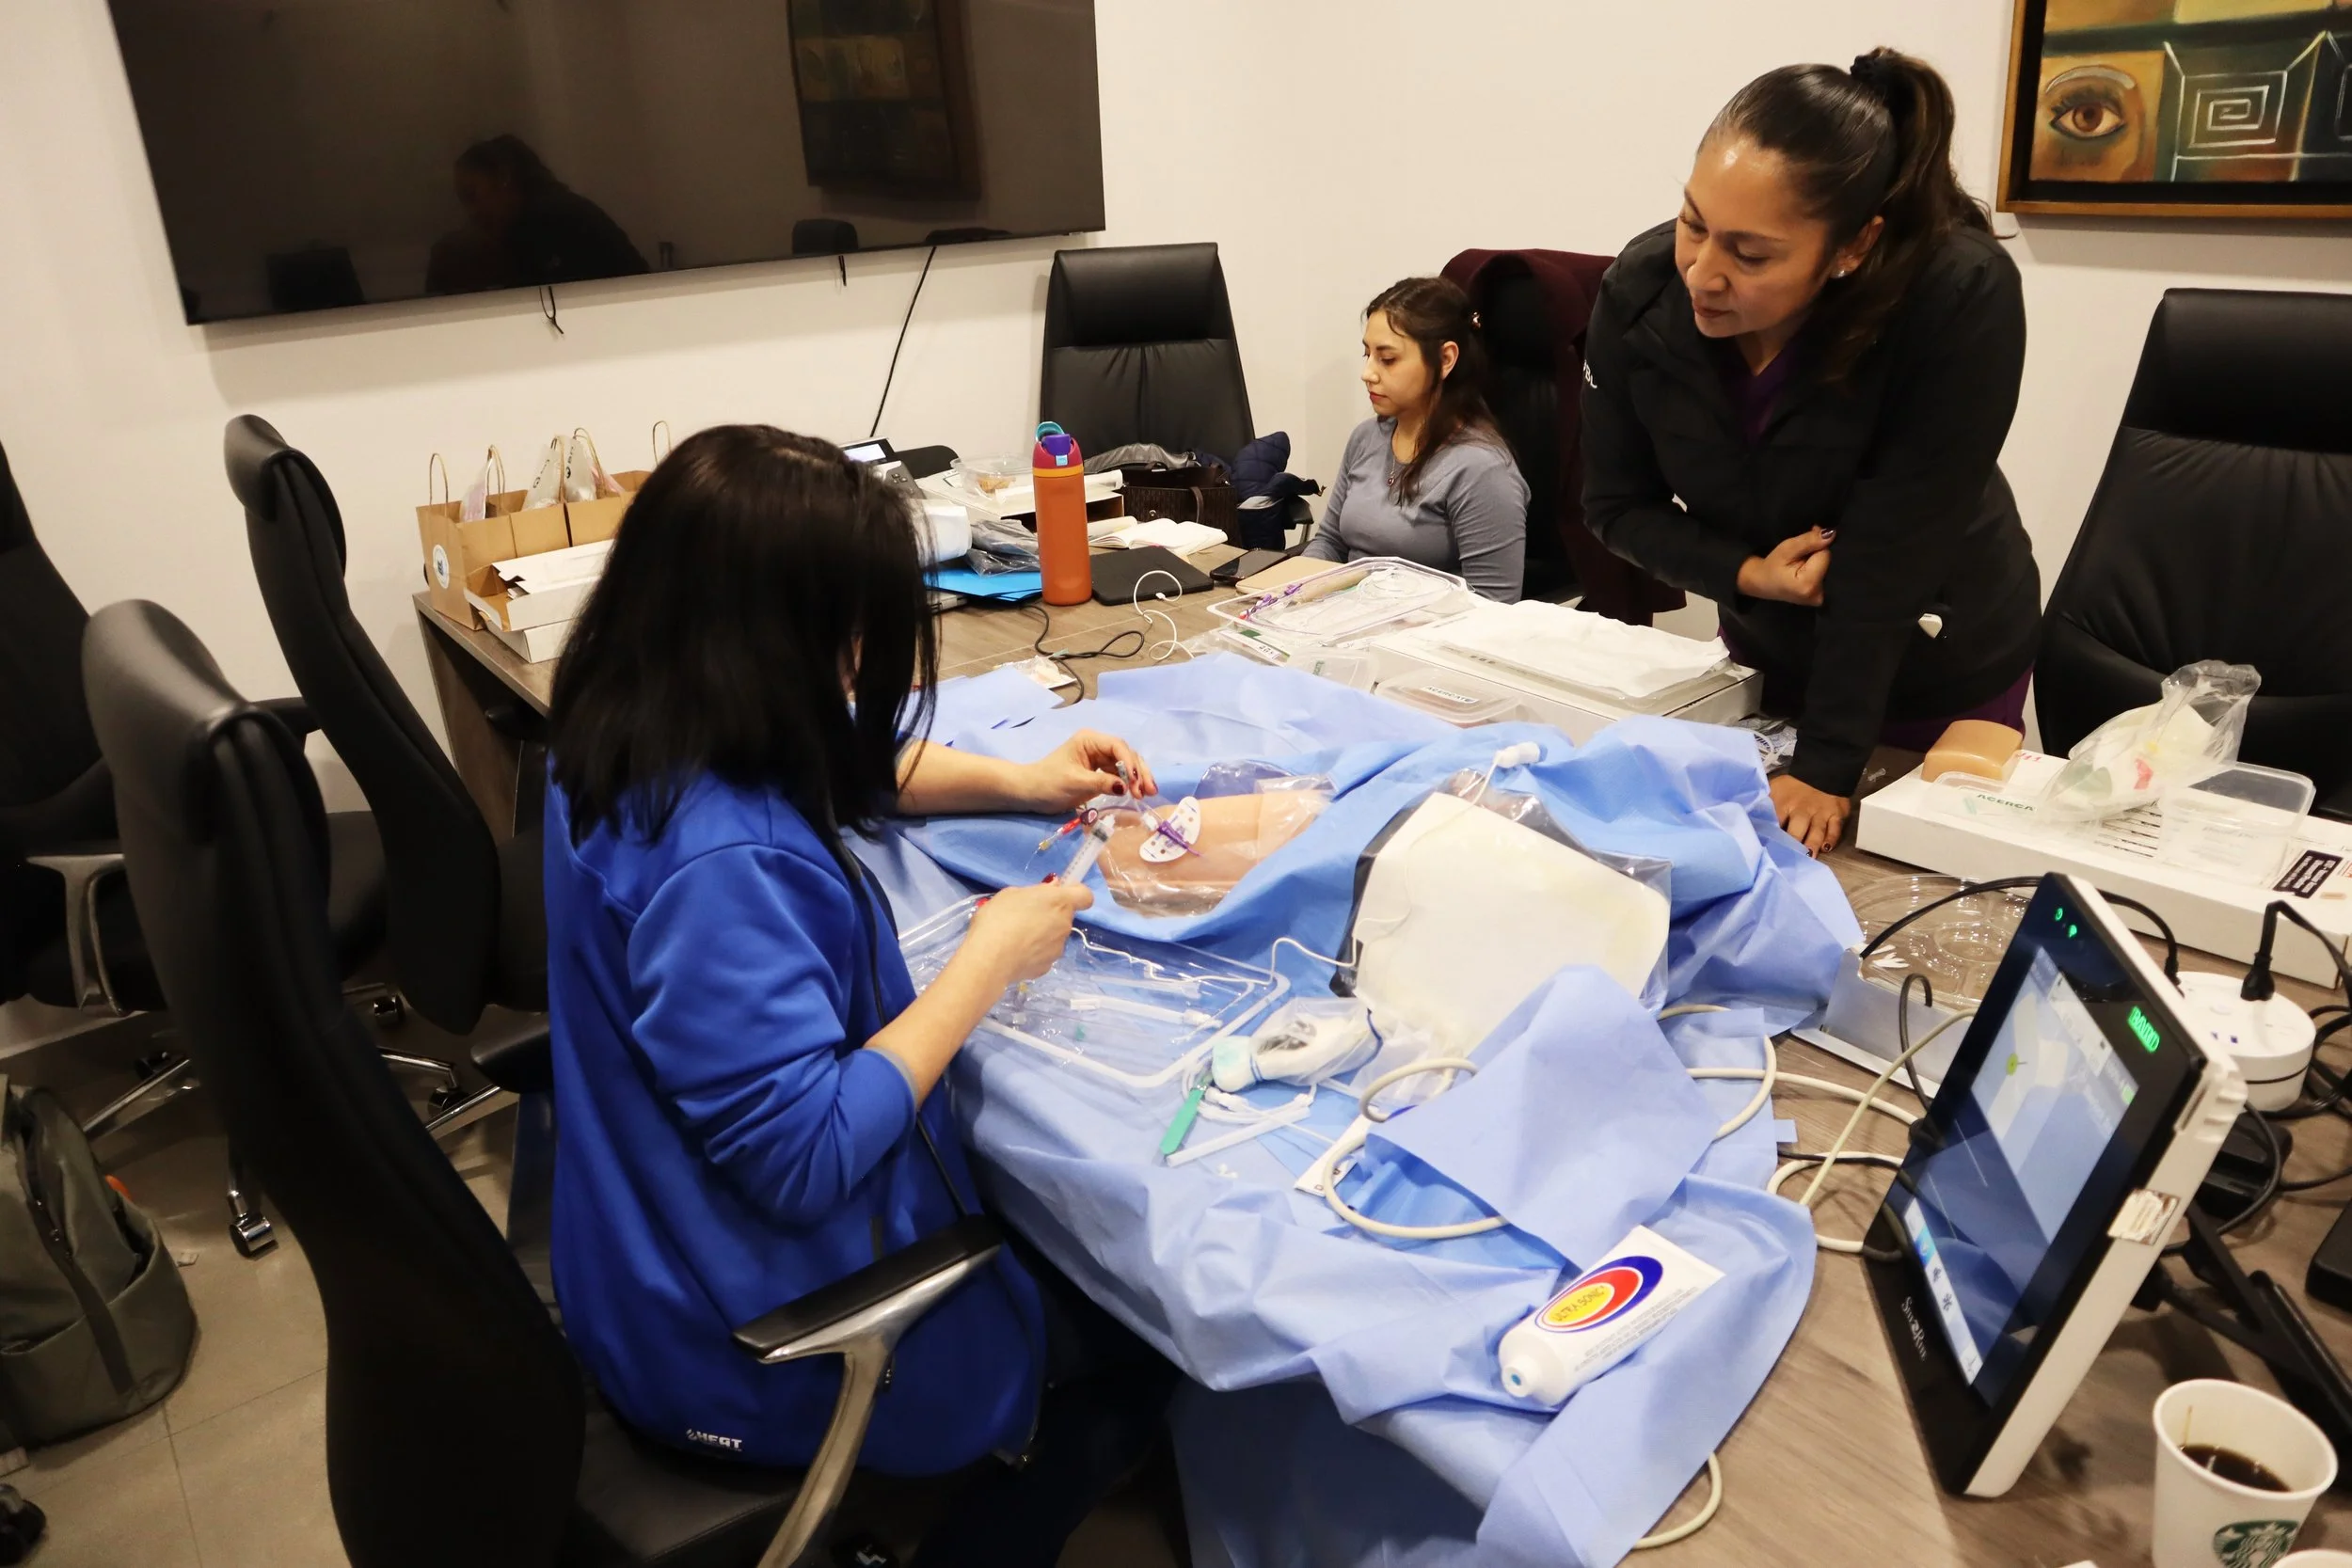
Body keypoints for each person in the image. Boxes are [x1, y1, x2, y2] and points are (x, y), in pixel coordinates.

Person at [542, 426, 1174, 1566]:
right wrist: (987, 959)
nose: (859, 670)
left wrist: (1024, 781)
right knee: (1148, 1327)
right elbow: (805, 1153)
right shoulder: (720, 864)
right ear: (777, 643)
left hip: (628, 1255)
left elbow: (827, 755)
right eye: (848, 640)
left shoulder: (619, 721)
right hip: (755, 1333)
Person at [1581, 49, 2040, 853]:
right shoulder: (1641, 294)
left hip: (1936, 657)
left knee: (1913, 890)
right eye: (1693, 223)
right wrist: (1746, 573)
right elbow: (1615, 506)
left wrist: (1828, 766)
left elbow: (1893, 555)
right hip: (1767, 650)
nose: (1702, 274)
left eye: (1750, 255)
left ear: (1853, 247)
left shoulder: (1955, 297)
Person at [1305, 277, 1530, 602]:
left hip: (1421, 640)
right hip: (1343, 623)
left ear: (1445, 359)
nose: (1368, 372)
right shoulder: (1366, 437)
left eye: (1388, 359)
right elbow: (1330, 542)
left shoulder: (1482, 469)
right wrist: (1292, 592)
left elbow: (1494, 605)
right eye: (1367, 354)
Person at [425, 135, 648, 295]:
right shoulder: (557, 214)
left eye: (471, 195)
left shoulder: (555, 223)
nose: (472, 212)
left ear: (504, 178)